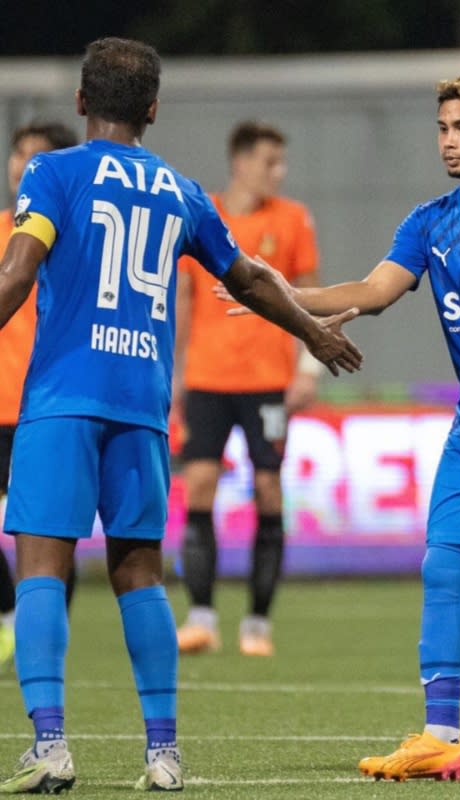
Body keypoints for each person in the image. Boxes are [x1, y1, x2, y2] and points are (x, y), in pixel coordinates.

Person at [0, 37, 361, 793]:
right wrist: (313, 332)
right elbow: (251, 280)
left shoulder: (53, 172)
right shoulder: (181, 190)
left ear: (79, 101)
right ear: (154, 109)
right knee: (140, 573)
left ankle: (51, 744)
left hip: (64, 398)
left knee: (41, 566)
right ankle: (163, 755)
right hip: (141, 405)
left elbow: (18, 271)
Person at [224, 68, 460, 783]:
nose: (448, 141)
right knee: (441, 565)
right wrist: (280, 291)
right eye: (441, 128)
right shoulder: (430, 222)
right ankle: (441, 737)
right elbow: (371, 291)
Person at [173, 120, 321, 658]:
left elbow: (309, 296)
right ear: (240, 162)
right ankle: (202, 618)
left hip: (267, 383)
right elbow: (186, 301)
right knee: (201, 487)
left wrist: (309, 368)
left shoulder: (292, 220)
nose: (277, 173)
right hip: (207, 379)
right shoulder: (203, 215)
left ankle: (257, 624)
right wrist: (174, 375)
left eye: (280, 163)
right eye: (269, 162)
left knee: (267, 490)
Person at [0, 122, 81, 673]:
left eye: (37, 157)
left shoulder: (73, 238)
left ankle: (53, 636)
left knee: (52, 533)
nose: (24, 166)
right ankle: (11, 616)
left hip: (43, 403)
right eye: (18, 154)